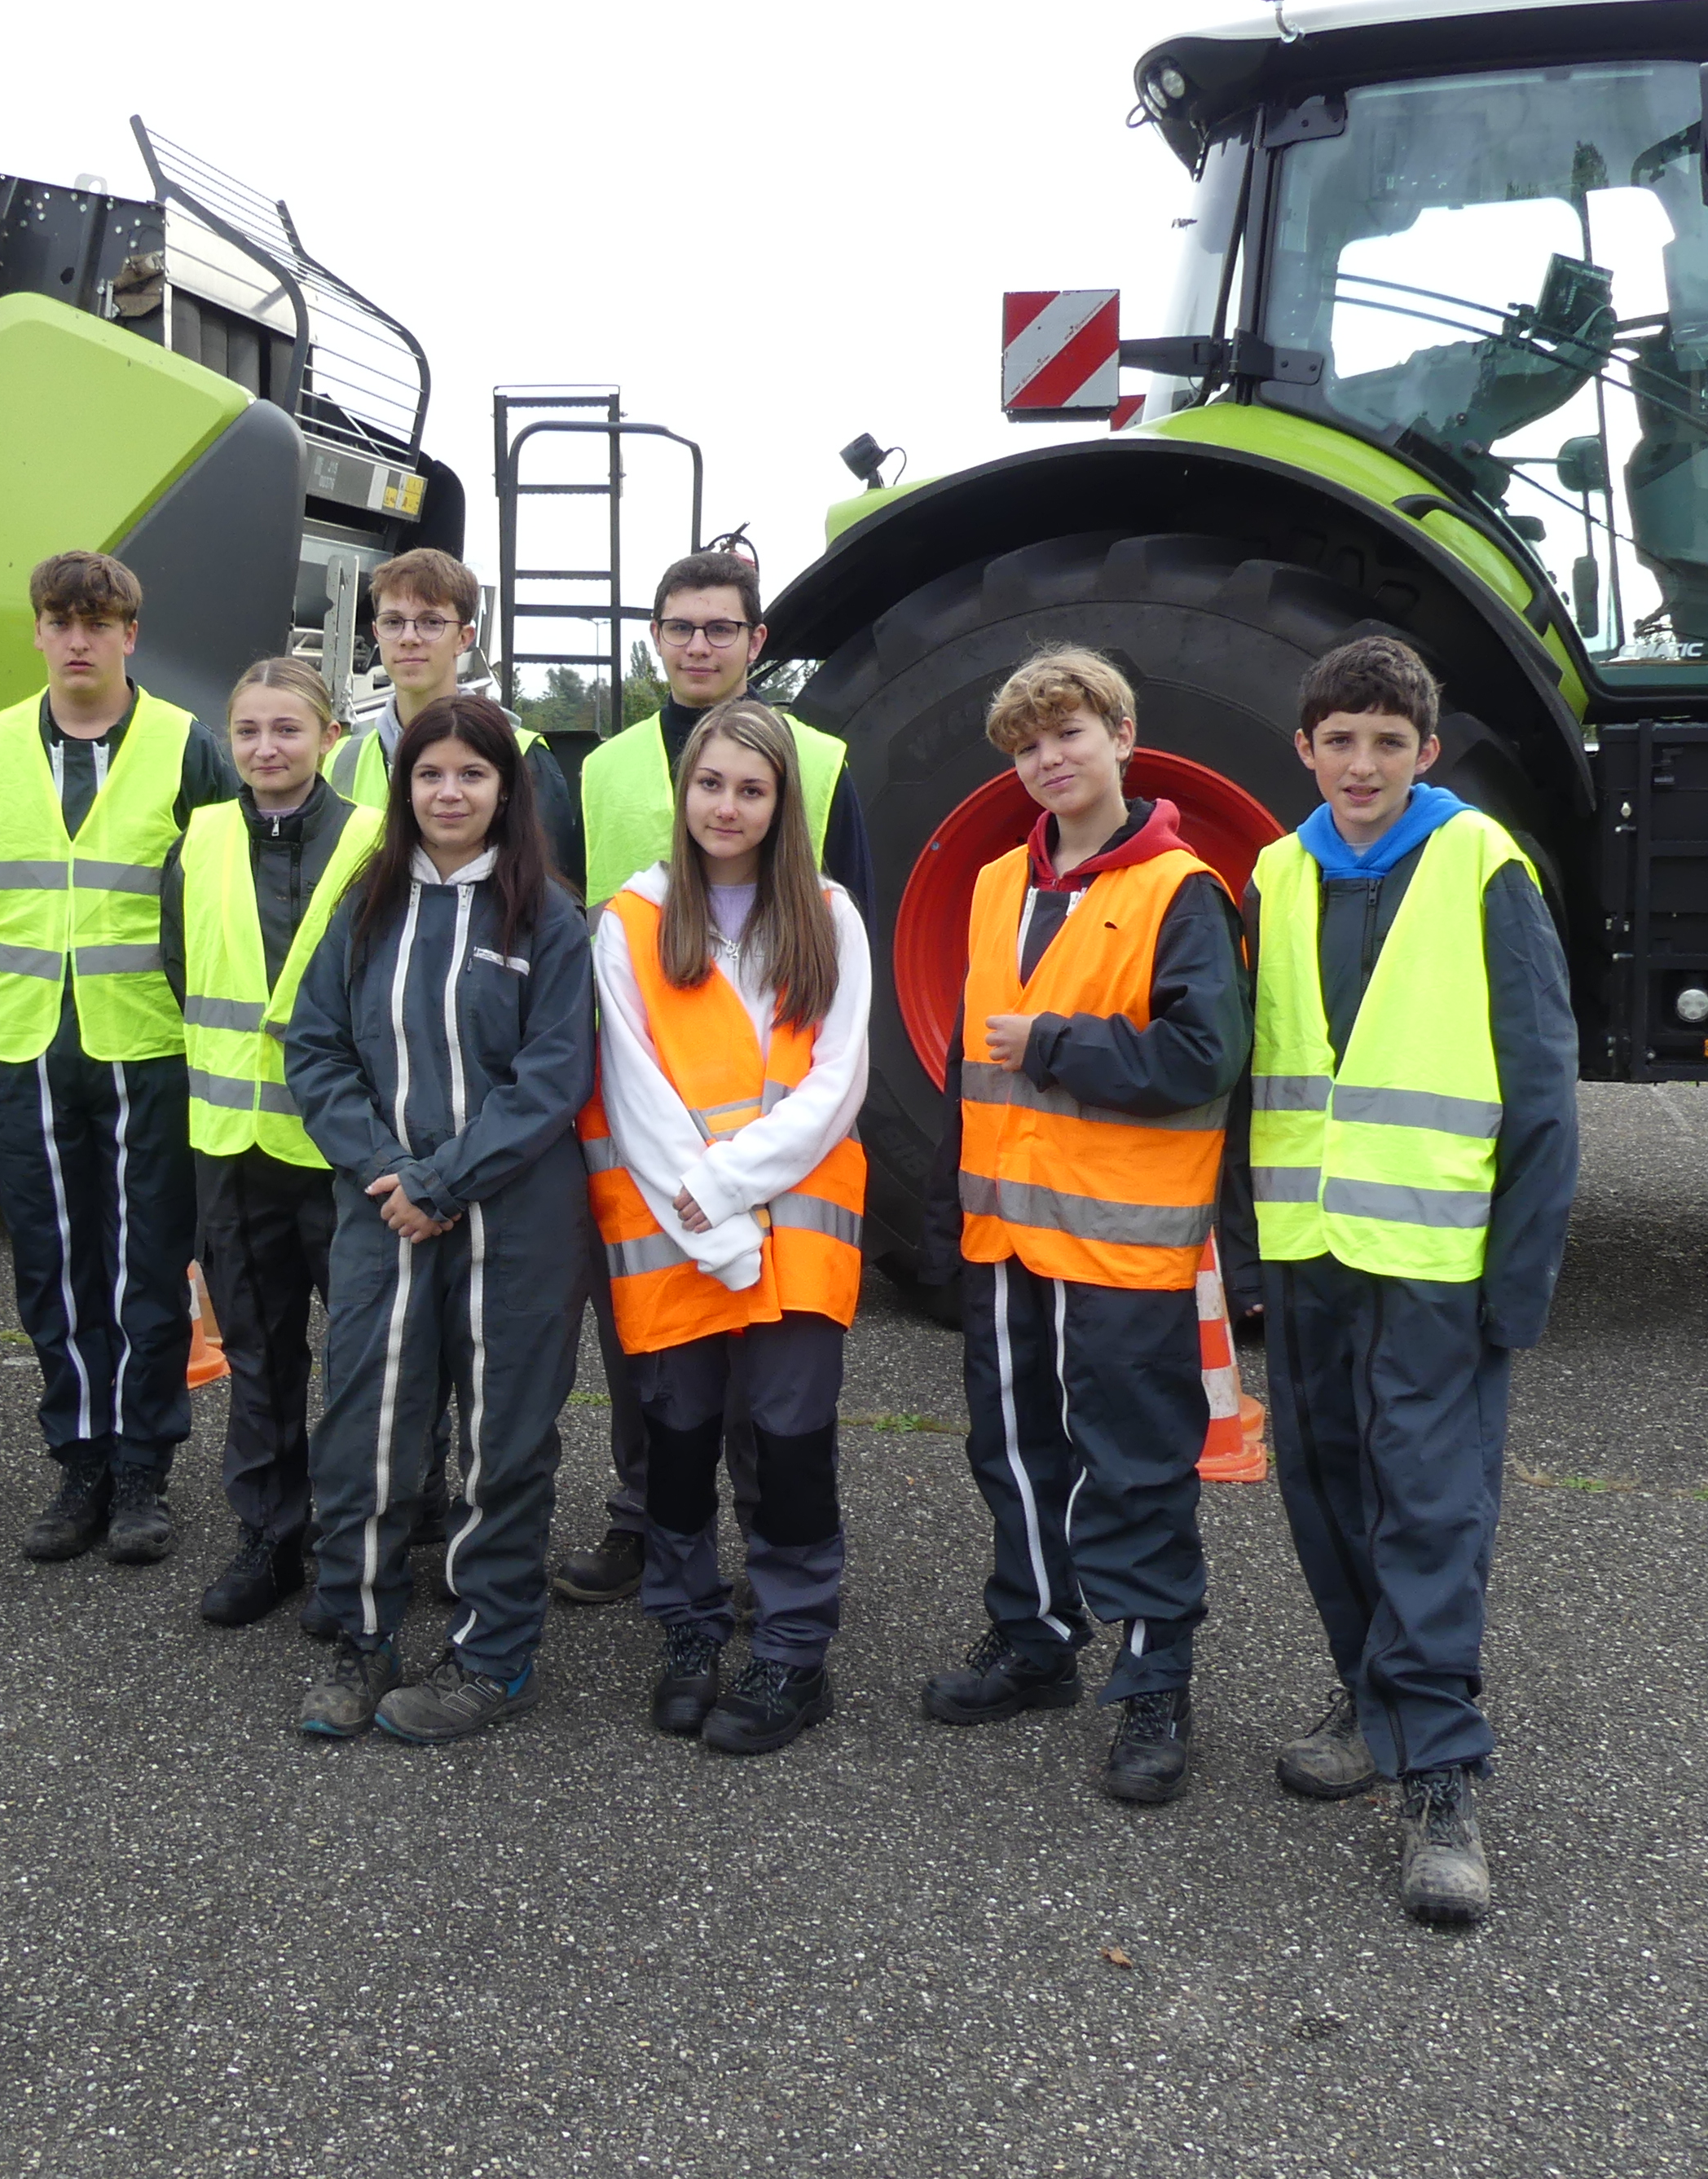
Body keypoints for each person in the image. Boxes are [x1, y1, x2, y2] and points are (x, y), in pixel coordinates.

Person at [1244, 636, 1576, 1926]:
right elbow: (1260, 1074)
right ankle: (1369, 1697)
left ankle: (1441, 1775)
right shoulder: (1278, 872)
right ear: (1307, 750)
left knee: (1428, 1507)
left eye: (1390, 742)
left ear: (1426, 752)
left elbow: (1542, 1090)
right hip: (1312, 1255)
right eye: (1342, 741)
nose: (1364, 764)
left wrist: (1522, 1279)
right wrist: (1245, 1248)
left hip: (1437, 1263)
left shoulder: (1483, 867)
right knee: (1326, 1494)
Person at [916, 645, 1248, 1809]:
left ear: (1120, 733)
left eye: (1068, 734)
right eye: (1026, 745)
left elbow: (1205, 1061)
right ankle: (1037, 1637)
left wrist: (1057, 1044)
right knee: (1012, 1453)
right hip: (1005, 1235)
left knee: (1137, 1465)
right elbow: (972, 1063)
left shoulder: (1179, 889)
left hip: (1121, 1245)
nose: (1048, 759)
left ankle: (1156, 1679)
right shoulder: (999, 881)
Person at [552, 545, 875, 1609]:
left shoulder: (822, 764)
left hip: (772, 1149)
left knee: (768, 1391)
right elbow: (574, 937)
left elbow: (843, 949)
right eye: (681, 627)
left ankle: (759, 1551)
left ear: (755, 642)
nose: (699, 645)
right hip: (641, 1134)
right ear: (658, 637)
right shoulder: (597, 771)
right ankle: (645, 1525)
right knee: (654, 1359)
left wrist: (739, 1170)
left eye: (720, 627)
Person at [284, 695, 594, 1745]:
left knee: (500, 1442)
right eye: (430, 775)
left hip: (516, 1221)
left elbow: (553, 1077)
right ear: (403, 789)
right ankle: (357, 1637)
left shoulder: (548, 917)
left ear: (506, 790)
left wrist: (444, 1181)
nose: (449, 793)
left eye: (471, 774)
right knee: (365, 1428)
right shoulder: (365, 906)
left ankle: (493, 1656)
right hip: (382, 1213)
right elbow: (316, 1051)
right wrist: (387, 1175)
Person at [583, 702, 870, 1754]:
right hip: (676, 1233)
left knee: (791, 1448)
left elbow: (838, 1082)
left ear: (782, 803)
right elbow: (633, 1090)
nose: (728, 806)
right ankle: (689, 1631)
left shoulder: (830, 916)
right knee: (676, 1442)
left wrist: (733, 1195)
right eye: (711, 785)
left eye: (752, 789)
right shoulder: (629, 920)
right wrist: (713, 1221)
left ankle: (793, 1652)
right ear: (683, 793)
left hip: (794, 1236)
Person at [0, 550, 241, 1570]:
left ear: (129, 634)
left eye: (98, 621)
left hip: (144, 1039)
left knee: (145, 1266)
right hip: (22, 1042)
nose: (78, 638)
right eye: (60, 620)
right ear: (36, 632)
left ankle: (143, 1467)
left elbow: (214, 886)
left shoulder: (186, 747)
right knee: (53, 1266)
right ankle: (78, 1459)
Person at [161, 657, 384, 1628]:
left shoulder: (375, 840)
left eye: (286, 730)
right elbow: (182, 964)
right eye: (247, 731)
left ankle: (366, 1537)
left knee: (371, 1357)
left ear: (329, 738)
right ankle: (268, 1537)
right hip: (232, 1144)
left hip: (342, 1153)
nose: (264, 749)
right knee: (259, 1355)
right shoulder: (201, 837)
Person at [323, 547, 581, 885]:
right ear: (377, 633)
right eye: (393, 622)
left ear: (463, 638)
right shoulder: (341, 759)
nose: (409, 638)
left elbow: (550, 896)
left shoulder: (522, 754)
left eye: (431, 622)